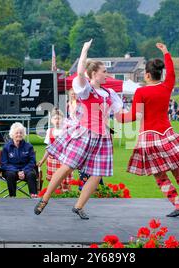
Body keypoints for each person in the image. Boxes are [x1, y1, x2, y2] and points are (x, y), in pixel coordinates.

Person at [33, 39, 123, 219]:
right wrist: (84, 51)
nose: (107, 74)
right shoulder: (85, 89)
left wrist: (141, 112)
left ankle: (79, 206)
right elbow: (80, 71)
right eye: (104, 71)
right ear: (94, 74)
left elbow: (121, 116)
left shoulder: (110, 94)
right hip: (84, 133)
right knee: (68, 166)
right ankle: (45, 198)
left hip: (102, 136)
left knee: (98, 174)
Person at [116, 43, 179, 217]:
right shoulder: (166, 87)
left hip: (149, 138)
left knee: (160, 176)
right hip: (167, 135)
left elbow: (134, 116)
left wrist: (118, 116)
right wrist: (166, 53)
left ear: (148, 75)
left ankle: (178, 205)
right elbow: (172, 73)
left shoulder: (141, 92)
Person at [37, 108, 74, 192]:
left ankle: (69, 200)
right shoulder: (49, 131)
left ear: (63, 119)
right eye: (55, 118)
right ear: (51, 120)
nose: (57, 121)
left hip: (64, 160)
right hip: (52, 160)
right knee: (55, 183)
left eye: (59, 118)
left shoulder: (67, 130)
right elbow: (48, 148)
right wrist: (42, 160)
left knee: (66, 184)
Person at [1, 122, 38, 198]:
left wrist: (23, 171)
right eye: (16, 133)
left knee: (31, 174)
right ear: (12, 134)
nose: (19, 135)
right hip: (11, 170)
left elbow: (32, 162)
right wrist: (17, 171)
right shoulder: (6, 147)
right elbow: (4, 164)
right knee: (10, 175)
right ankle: (12, 197)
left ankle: (34, 195)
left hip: (27, 169)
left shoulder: (29, 146)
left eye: (21, 133)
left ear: (23, 134)